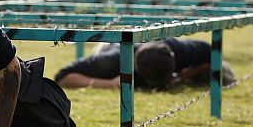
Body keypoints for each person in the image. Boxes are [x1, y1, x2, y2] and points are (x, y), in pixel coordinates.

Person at [55, 38, 235, 90]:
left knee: (225, 76)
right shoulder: (112, 61)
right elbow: (63, 77)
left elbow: (212, 53)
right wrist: (107, 84)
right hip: (111, 45)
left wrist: (184, 76)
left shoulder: (179, 50)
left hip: (152, 43)